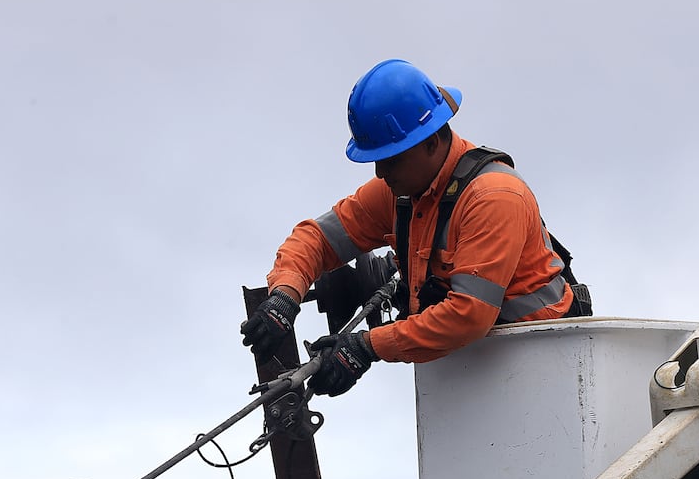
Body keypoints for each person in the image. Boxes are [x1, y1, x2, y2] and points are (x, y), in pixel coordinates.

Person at [241, 58, 587, 395]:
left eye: (391, 159)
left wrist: (366, 346)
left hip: (547, 368)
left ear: (432, 142)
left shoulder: (493, 197)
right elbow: (318, 238)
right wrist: (285, 295)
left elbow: (469, 315)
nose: (380, 172)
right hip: (472, 377)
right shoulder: (403, 193)